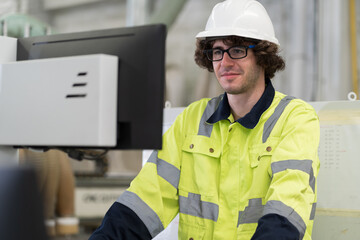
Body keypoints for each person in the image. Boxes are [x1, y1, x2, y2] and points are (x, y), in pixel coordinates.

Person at [89, 0, 320, 239]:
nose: (225, 62)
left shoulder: (295, 118)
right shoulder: (191, 120)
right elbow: (144, 201)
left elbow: (287, 208)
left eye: (237, 50)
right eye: (217, 51)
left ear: (262, 55)